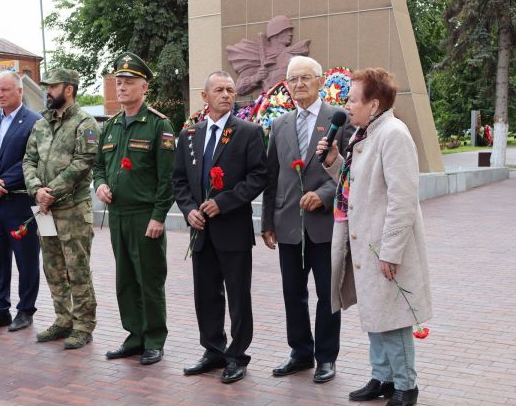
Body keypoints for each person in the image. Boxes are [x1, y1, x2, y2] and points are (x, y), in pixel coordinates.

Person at [317, 67, 432, 406]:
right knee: (375, 313)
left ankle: (405, 384)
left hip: (384, 245)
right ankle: (382, 377)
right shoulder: (365, 133)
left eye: (353, 99)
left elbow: (403, 198)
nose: (347, 106)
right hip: (364, 241)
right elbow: (355, 185)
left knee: (393, 318)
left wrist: (392, 250)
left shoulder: (393, 134)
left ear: (375, 103)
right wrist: (334, 161)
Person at [261, 56, 355, 384]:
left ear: (320, 81)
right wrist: (267, 222)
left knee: (328, 295)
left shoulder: (339, 120)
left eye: (305, 78)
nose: (298, 84)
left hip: (325, 224)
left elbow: (349, 170)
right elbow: (272, 177)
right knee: (293, 293)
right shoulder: (279, 124)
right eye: (293, 79)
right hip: (288, 224)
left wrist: (326, 194)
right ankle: (300, 353)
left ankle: (326, 357)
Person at [173, 71, 268, 383]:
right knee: (206, 294)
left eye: (230, 90)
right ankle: (213, 349)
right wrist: (188, 211)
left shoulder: (248, 132)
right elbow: (180, 181)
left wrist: (224, 202)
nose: (226, 94)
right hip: (201, 230)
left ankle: (237, 356)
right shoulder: (189, 135)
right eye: (219, 90)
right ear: (205, 96)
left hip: (232, 229)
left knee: (238, 296)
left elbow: (257, 176)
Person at [93, 52, 175, 365]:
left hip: (144, 216)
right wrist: (99, 184)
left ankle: (154, 338)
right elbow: (99, 165)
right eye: (119, 82)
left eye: (129, 82)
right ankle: (134, 335)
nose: (122, 87)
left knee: (149, 279)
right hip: (118, 216)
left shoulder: (158, 124)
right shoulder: (111, 126)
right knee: (125, 278)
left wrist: (158, 216)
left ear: (144, 88)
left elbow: (166, 178)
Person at [23, 68, 100, 349]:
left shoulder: (85, 123)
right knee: (53, 267)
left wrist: (51, 191)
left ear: (69, 89)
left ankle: (83, 325)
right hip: (45, 210)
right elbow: (28, 160)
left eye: (52, 87)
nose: (48, 92)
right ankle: (62, 320)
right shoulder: (41, 124)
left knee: (76, 268)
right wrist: (36, 190)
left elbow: (83, 163)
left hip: (73, 209)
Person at [0, 72, 42, 332]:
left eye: (5, 90)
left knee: (26, 260)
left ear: (20, 91)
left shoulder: (35, 121)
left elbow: (32, 160)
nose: (0, 95)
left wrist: (2, 183)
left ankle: (25, 310)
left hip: (20, 204)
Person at [227, 15, 311, 96]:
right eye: (286, 31)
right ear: (276, 33)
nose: (290, 34)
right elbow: (238, 88)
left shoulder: (292, 55)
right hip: (269, 103)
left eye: (290, 31)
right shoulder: (258, 57)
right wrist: (256, 77)